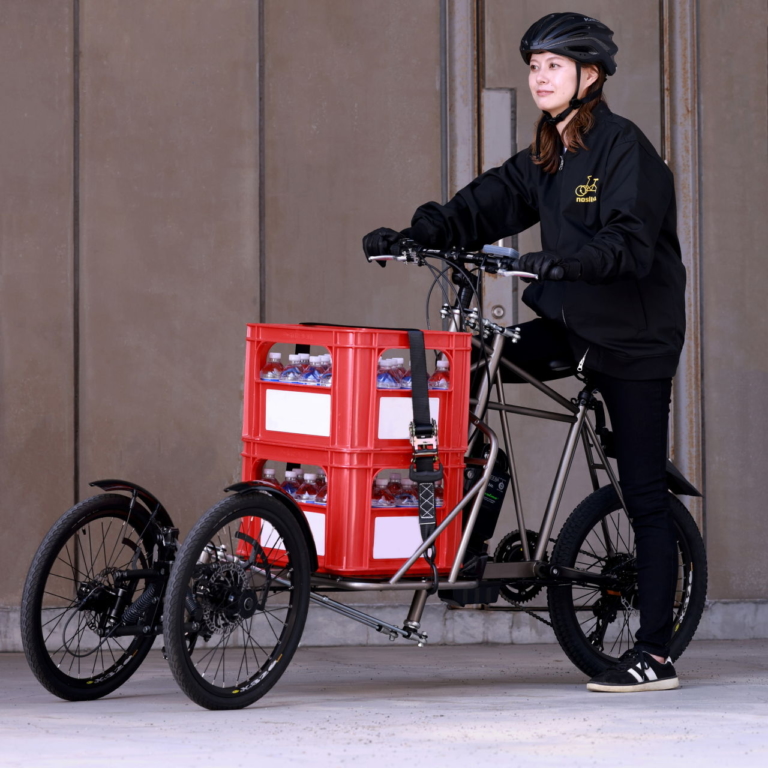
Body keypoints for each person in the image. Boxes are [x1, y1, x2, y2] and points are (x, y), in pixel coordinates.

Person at [362, 12, 687, 693]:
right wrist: (423, 229)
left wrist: (565, 265)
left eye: (555, 65)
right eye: (534, 64)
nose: (540, 74)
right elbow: (492, 201)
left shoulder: (626, 152)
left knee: (644, 497)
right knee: (470, 371)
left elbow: (629, 242)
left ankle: (655, 653)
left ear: (590, 76)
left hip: (632, 339)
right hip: (570, 327)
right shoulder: (549, 154)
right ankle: (469, 544)